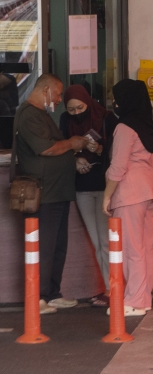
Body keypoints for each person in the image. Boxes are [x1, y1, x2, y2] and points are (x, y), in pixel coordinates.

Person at [14, 74, 88, 314]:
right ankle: (37, 298)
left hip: (57, 191)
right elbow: (46, 148)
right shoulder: (28, 114)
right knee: (43, 248)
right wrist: (72, 143)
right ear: (45, 90)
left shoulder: (42, 114)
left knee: (57, 247)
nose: (58, 99)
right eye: (57, 94)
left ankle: (52, 293)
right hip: (43, 193)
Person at [101, 79, 153, 316]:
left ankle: (134, 300)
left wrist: (107, 196)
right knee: (146, 248)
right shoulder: (149, 125)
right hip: (150, 189)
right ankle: (143, 297)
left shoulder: (125, 127)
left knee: (131, 249)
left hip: (130, 192)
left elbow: (118, 166)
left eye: (116, 98)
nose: (114, 102)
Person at [59, 84, 117, 308]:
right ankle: (109, 286)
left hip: (104, 186)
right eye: (71, 109)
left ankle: (114, 289)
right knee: (97, 242)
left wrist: (99, 150)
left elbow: (117, 152)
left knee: (106, 241)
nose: (76, 113)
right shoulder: (65, 120)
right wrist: (75, 159)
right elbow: (61, 147)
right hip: (81, 186)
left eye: (80, 108)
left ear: (88, 102)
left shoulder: (107, 118)